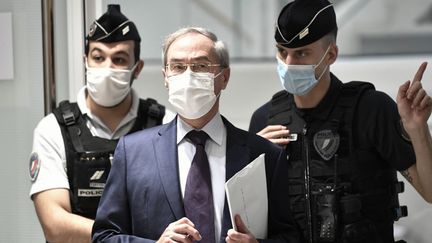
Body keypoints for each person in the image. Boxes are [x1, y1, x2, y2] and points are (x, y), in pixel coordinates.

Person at [92, 27, 301, 243]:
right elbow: (103, 237)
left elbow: (290, 236)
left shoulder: (264, 155)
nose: (188, 76)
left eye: (201, 66)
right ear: (166, 77)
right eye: (178, 67)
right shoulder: (132, 152)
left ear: (224, 77)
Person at [248, 1, 432, 243]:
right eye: (283, 52)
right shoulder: (264, 119)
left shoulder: (370, 108)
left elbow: (429, 191)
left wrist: (418, 129)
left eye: (302, 53)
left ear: (331, 54)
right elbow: (248, 215)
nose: (289, 63)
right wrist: (253, 163)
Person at [28, 5, 168, 243]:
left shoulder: (166, 124)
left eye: (119, 59)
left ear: (138, 68)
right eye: (98, 57)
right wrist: (121, 238)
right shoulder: (53, 129)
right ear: (85, 61)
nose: (107, 68)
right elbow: (55, 225)